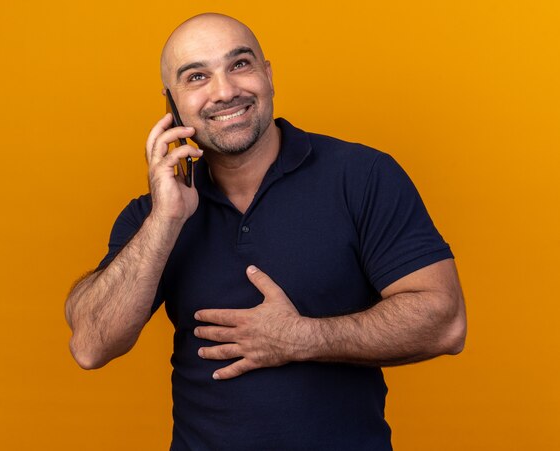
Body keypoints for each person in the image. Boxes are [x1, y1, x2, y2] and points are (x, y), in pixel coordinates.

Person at [65, 12, 466, 450]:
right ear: (172, 104)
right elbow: (90, 345)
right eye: (197, 76)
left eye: (240, 64)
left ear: (268, 74)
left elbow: (445, 323)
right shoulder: (156, 215)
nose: (225, 91)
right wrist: (165, 220)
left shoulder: (362, 176)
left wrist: (300, 338)